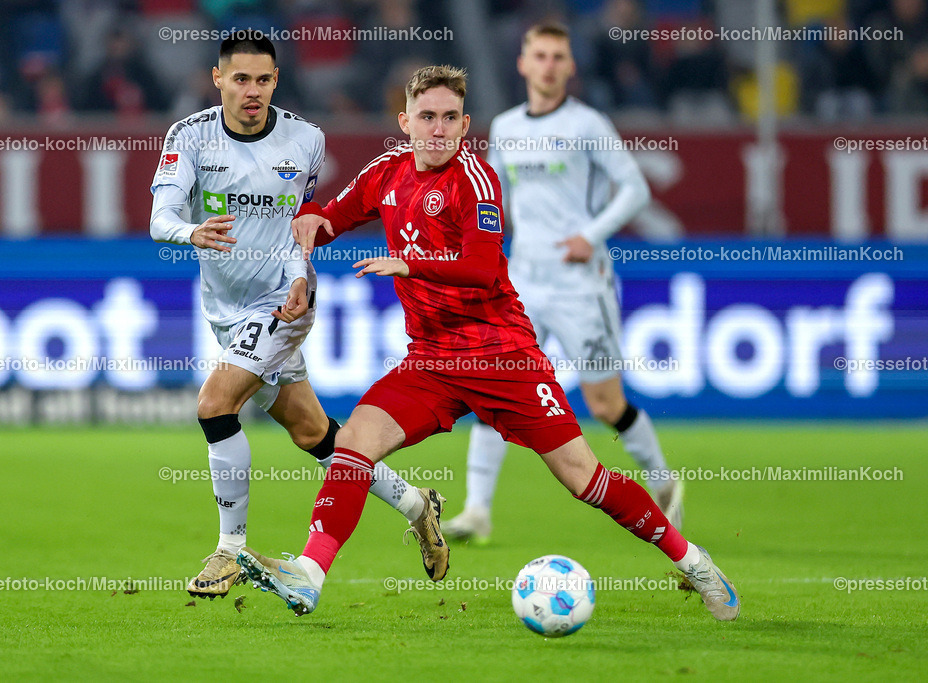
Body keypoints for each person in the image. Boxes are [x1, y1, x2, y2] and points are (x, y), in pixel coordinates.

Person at [238, 65, 740, 622]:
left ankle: (692, 561)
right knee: (353, 441)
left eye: (449, 117)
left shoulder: (475, 179)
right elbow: (333, 218)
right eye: (426, 117)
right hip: (430, 361)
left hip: (501, 355)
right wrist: (309, 220)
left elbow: (480, 267)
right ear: (404, 122)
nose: (438, 129)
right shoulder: (385, 173)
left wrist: (410, 262)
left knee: (584, 479)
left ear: (465, 122)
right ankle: (309, 574)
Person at [149, 33, 448, 600]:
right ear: (218, 80)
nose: (252, 91)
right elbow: (160, 217)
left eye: (263, 79)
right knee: (312, 433)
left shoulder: (304, 141)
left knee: (215, 404)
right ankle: (417, 504)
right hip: (225, 308)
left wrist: (295, 282)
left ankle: (229, 549)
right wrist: (191, 231)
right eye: (240, 79)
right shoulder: (189, 137)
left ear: (276, 80)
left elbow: (300, 226)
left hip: (285, 301)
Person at [442, 22, 683, 546]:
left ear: (570, 67)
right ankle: (477, 510)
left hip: (580, 283)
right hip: (524, 280)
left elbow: (635, 188)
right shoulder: (505, 126)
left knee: (604, 405)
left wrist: (589, 235)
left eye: (558, 57)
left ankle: (664, 485)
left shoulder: (588, 124)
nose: (549, 65)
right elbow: (493, 195)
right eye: (540, 56)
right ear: (523, 64)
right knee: (496, 390)